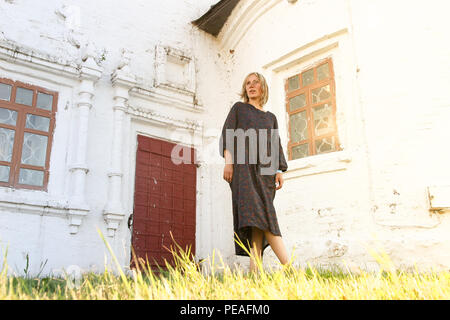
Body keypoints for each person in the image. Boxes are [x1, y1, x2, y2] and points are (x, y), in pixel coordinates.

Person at [219, 72, 290, 273]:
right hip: (244, 171)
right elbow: (228, 134)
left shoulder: (271, 118)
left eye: (255, 82)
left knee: (258, 224)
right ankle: (291, 269)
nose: (251, 86)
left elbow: (275, 144)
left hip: (266, 172)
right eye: (247, 83)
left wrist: (278, 170)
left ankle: (254, 275)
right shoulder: (239, 109)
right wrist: (228, 163)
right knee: (264, 216)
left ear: (262, 87)